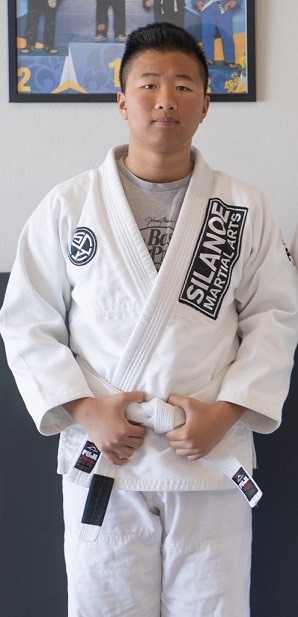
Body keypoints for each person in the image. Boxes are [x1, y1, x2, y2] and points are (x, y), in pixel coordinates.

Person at [1, 21, 298, 617]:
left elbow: (274, 318)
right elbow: (26, 321)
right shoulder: (68, 206)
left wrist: (226, 412)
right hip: (108, 454)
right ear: (121, 100)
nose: (167, 99)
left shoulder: (244, 207)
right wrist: (86, 411)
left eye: (185, 85)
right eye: (150, 84)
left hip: (208, 453)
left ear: (207, 104)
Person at [193, 0, 239, 68]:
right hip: (207, 6)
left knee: (227, 34)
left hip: (224, 5)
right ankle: (207, 58)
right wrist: (196, 1)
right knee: (207, 33)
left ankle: (230, 60)